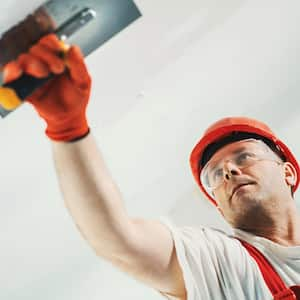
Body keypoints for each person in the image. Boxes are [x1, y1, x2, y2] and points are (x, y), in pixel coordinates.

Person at [3, 34, 300, 300]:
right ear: (220, 209)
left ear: (288, 172)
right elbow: (119, 240)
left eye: (244, 157)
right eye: (215, 174)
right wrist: (67, 126)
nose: (229, 171)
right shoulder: (218, 259)